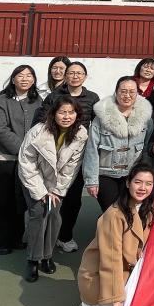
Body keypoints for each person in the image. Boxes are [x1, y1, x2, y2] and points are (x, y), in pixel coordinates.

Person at [75, 163, 154, 306]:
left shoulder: (147, 210)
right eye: (138, 182)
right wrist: (116, 300)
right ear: (127, 183)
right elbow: (111, 260)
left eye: (148, 184)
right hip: (100, 273)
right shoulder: (114, 215)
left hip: (128, 271)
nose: (143, 188)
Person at [31, 61, 99, 253]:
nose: (75, 76)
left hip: (77, 156)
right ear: (65, 75)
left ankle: (65, 236)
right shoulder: (54, 96)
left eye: (79, 73)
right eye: (71, 73)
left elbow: (97, 126)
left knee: (73, 199)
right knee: (48, 197)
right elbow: (41, 121)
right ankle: (44, 236)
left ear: (85, 76)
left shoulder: (92, 98)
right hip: (52, 155)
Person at [17, 96, 88, 282]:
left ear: (77, 114)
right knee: (38, 213)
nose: (66, 116)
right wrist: (41, 192)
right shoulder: (38, 131)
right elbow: (26, 163)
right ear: (53, 113)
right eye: (62, 112)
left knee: (54, 215)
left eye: (71, 112)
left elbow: (72, 167)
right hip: (34, 179)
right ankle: (33, 259)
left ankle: (47, 256)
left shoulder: (81, 134)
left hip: (56, 184)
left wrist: (56, 190)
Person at [0, 65, 42, 255]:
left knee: (21, 199)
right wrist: (24, 150)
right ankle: (1, 241)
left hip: (29, 160)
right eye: (20, 75)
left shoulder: (38, 101)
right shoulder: (1, 100)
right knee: (3, 199)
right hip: (5, 158)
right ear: (13, 79)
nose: (25, 79)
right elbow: (0, 129)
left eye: (29, 75)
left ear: (34, 80)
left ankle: (17, 237)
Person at [84, 77, 154, 211]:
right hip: (105, 174)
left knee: (129, 211)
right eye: (123, 91)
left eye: (132, 92)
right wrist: (91, 181)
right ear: (116, 92)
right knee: (112, 211)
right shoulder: (101, 118)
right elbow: (91, 150)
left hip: (132, 175)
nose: (127, 95)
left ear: (137, 94)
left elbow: (146, 147)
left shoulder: (146, 120)